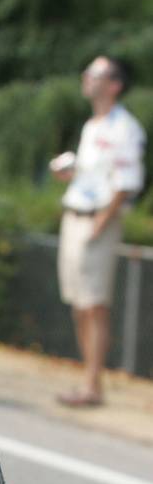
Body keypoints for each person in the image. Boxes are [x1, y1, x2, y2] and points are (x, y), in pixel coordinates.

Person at [51, 56, 146, 407]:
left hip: (96, 222)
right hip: (75, 217)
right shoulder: (93, 125)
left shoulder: (126, 128)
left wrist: (101, 224)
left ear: (114, 85)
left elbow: (127, 182)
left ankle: (93, 385)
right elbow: (95, 176)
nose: (86, 78)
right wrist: (69, 173)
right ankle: (88, 382)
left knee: (94, 305)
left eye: (95, 74)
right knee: (79, 304)